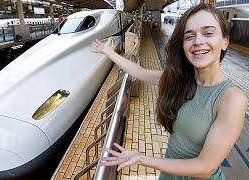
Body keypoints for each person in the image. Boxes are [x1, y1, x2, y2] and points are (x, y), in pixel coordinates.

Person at [91, 4, 247, 180]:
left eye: (208, 33)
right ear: (183, 45)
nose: (198, 41)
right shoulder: (181, 80)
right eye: (189, 36)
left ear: (225, 42)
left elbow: (205, 167)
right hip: (169, 174)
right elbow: (140, 72)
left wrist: (141, 158)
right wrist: (107, 51)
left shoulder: (232, 98)